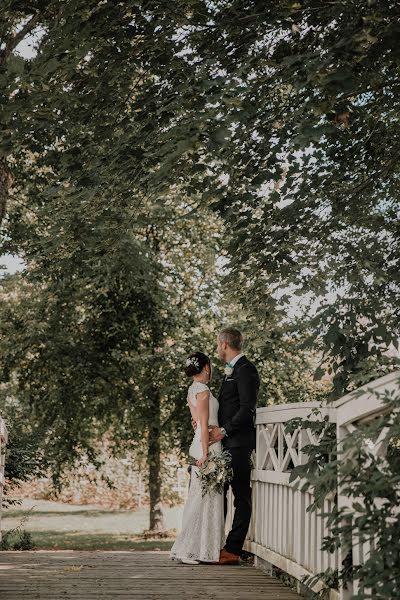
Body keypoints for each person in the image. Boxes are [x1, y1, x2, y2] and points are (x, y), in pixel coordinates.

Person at [209, 327, 260, 565]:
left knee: (241, 497)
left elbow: (247, 409)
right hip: (225, 445)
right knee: (220, 496)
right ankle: (215, 545)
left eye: (218, 344)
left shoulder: (246, 370)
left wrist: (224, 430)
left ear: (224, 344)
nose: (218, 348)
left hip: (238, 444)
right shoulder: (232, 371)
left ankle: (233, 549)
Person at [170, 351, 225, 564]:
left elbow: (197, 422)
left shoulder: (192, 389)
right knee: (203, 500)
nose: (211, 369)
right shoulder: (202, 390)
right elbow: (202, 425)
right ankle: (189, 549)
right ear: (205, 367)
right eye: (210, 365)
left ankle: (203, 550)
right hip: (209, 447)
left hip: (206, 443)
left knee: (203, 499)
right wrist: (204, 452)